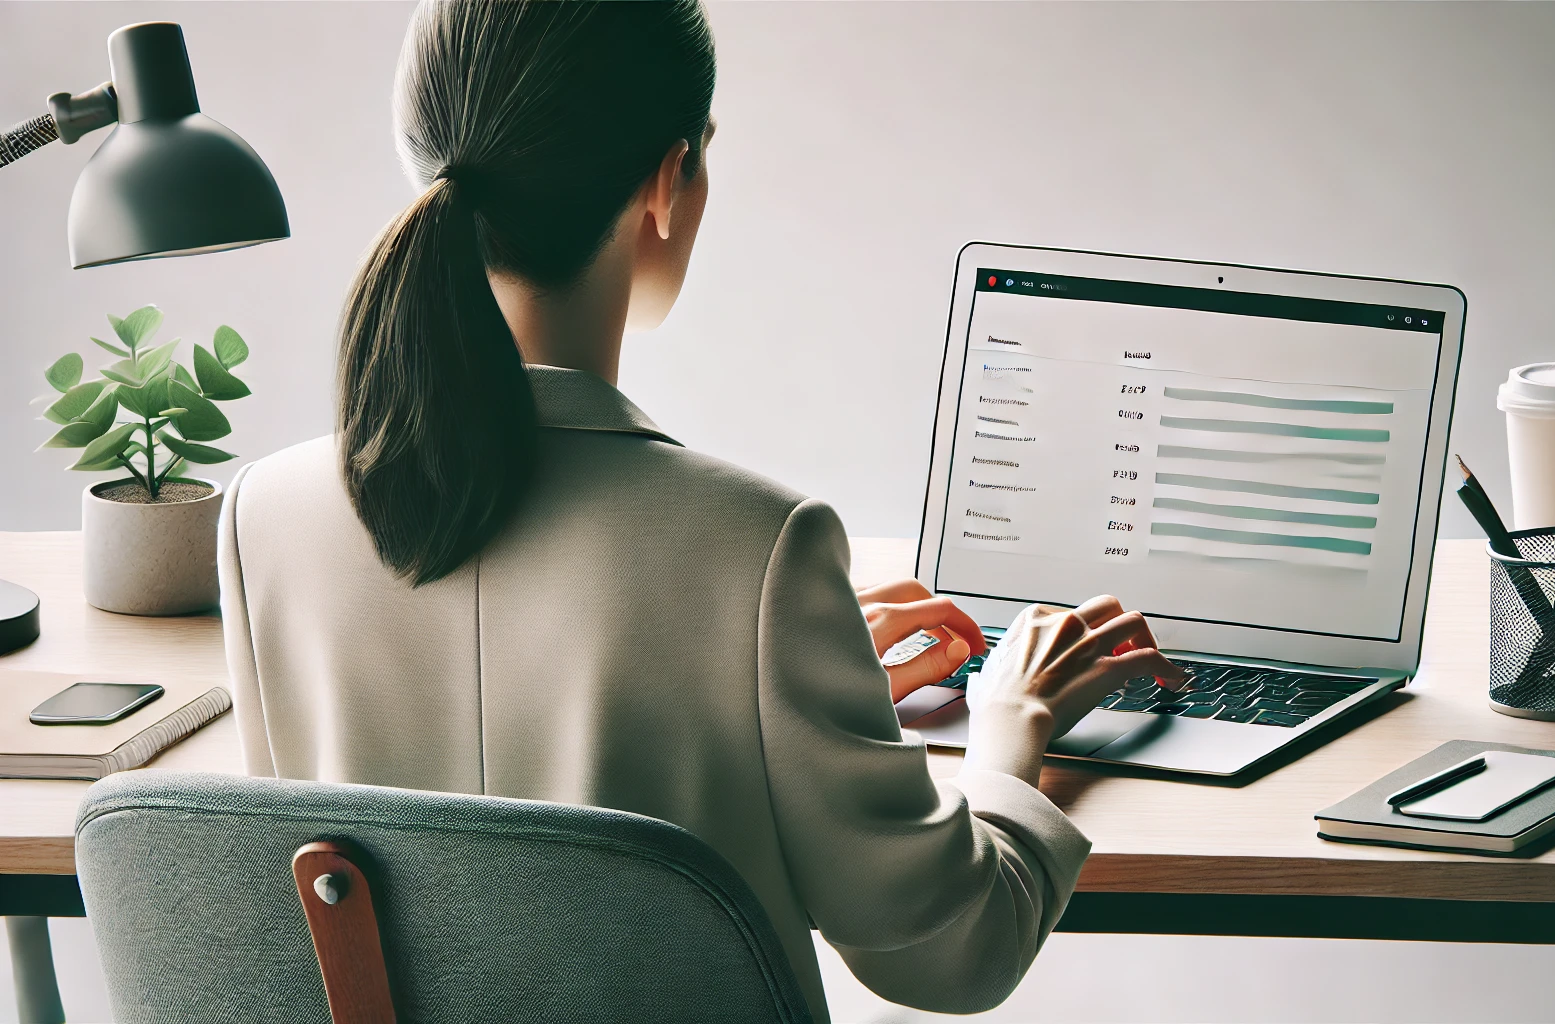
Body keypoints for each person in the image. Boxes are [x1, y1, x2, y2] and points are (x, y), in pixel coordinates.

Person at [218, 2, 1175, 1018]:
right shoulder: (760, 547)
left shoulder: (260, 519)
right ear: (669, 182)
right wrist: (1009, 729)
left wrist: (773, 677)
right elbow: (947, 955)